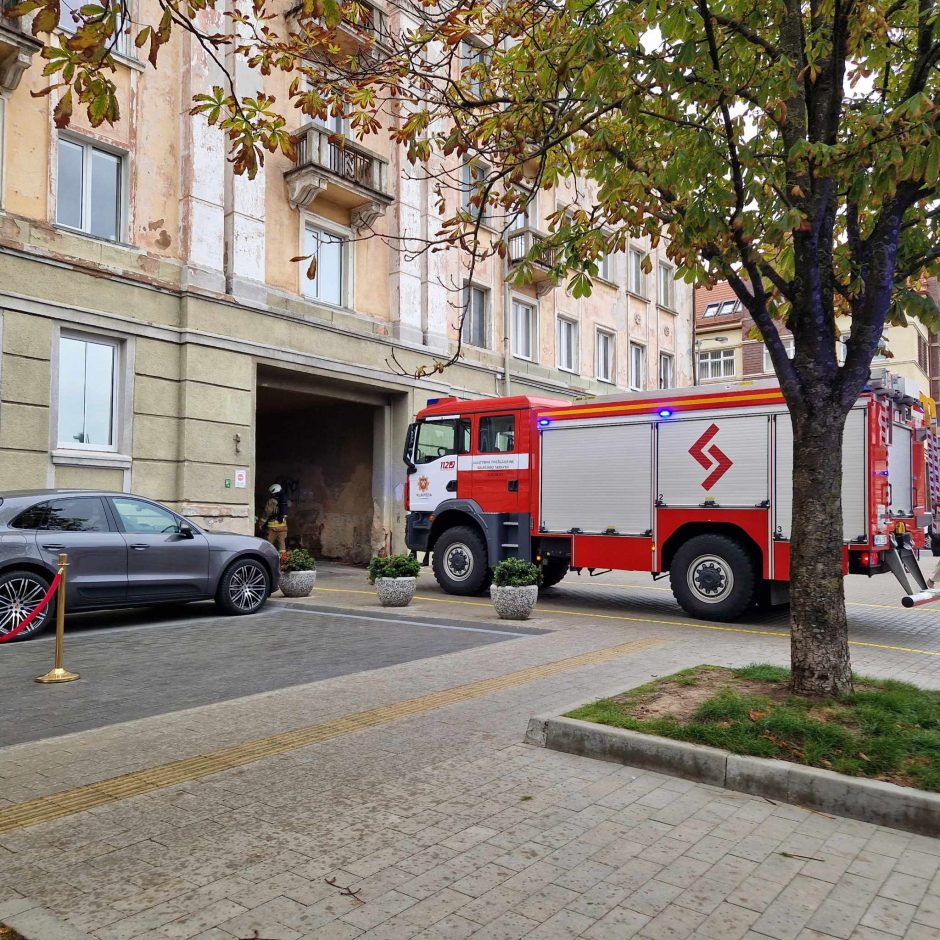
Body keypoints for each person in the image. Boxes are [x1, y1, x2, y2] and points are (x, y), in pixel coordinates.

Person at [259, 483, 289, 552]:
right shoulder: (284, 500)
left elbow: (266, 513)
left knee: (268, 545)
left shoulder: (271, 501)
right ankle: (283, 561)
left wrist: (261, 524)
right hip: (283, 527)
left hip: (273, 528)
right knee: (282, 546)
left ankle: (268, 560)